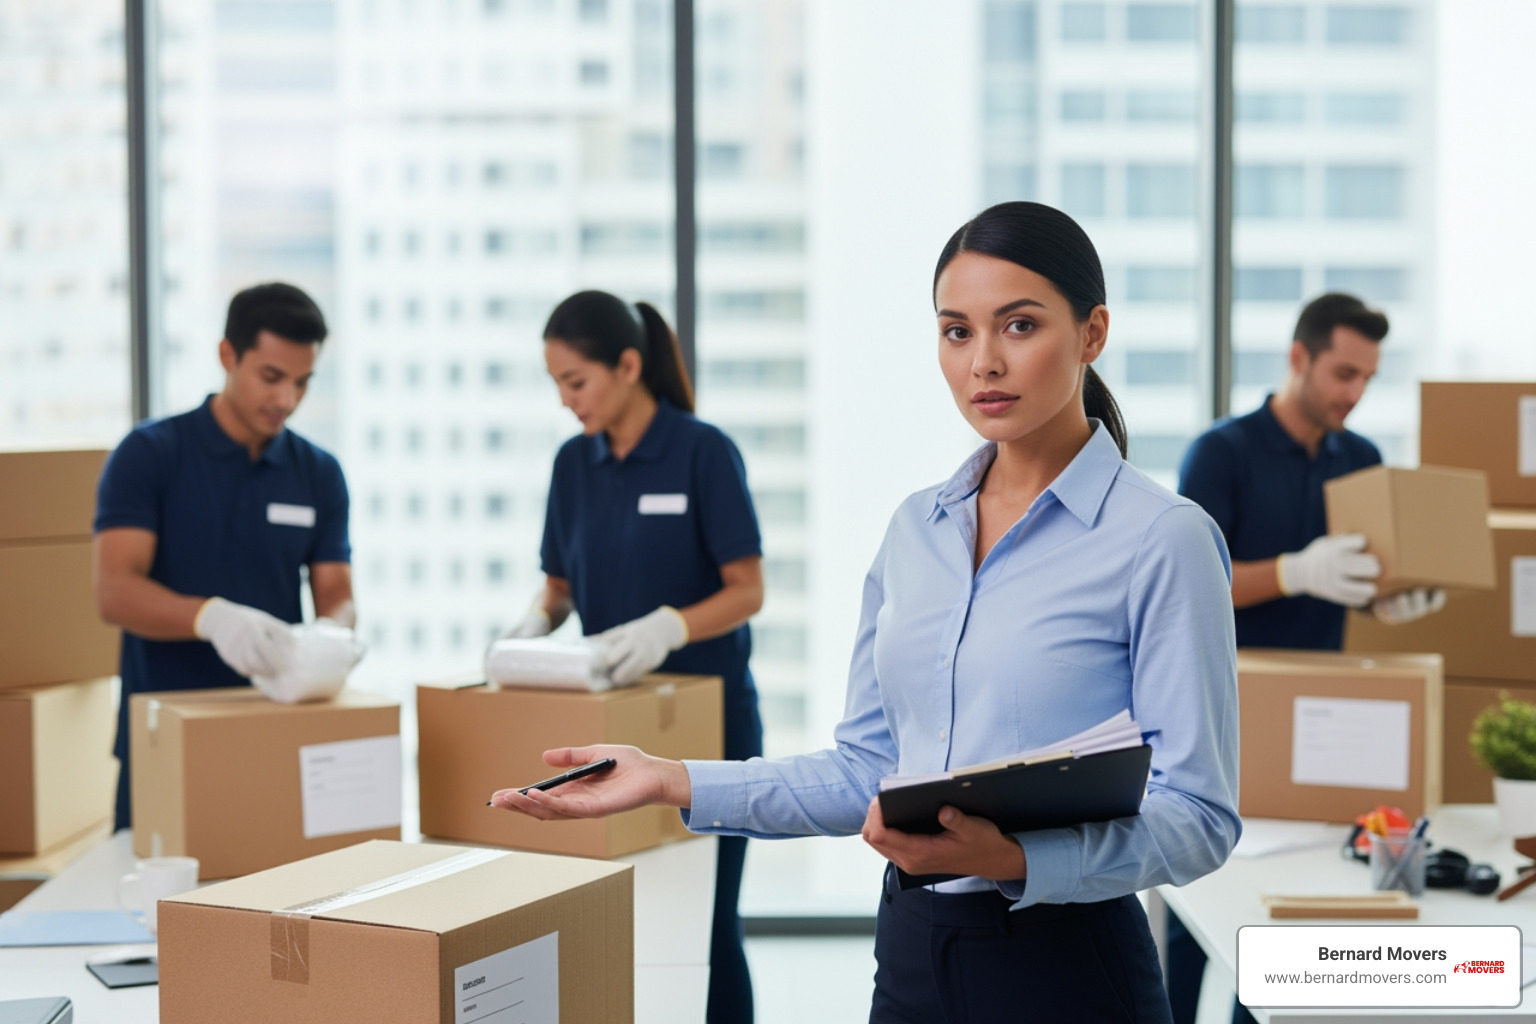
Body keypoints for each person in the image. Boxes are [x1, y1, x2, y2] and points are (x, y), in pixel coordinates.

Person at [490, 204, 1241, 1023]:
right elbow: (864, 770)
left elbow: (1199, 818)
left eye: (1018, 325)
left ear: (1092, 332)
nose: (985, 362)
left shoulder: (1163, 539)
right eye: (957, 332)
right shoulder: (916, 531)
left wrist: (1021, 858)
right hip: (913, 951)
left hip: (1067, 967)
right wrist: (668, 779)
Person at [1170, 293, 1442, 1024]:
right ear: (1300, 358)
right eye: (1343, 373)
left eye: (1366, 379)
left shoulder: (1362, 461)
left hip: (1322, 726)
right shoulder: (1222, 453)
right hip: (1225, 724)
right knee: (1196, 927)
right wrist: (1294, 571)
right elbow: (1189, 593)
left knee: (1279, 936)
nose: (1354, 393)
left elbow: (1365, 576)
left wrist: (1389, 600)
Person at [496, 290, 766, 1024]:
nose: (565, 400)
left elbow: (748, 589)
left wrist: (667, 628)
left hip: (709, 727)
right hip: (617, 730)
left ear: (627, 365)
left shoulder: (701, 451)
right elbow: (558, 588)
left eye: (574, 382)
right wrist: (529, 627)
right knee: (620, 918)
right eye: (555, 384)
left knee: (707, 922)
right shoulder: (572, 465)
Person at [94, 283, 355, 831]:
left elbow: (338, 598)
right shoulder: (151, 455)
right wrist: (209, 617)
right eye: (271, 376)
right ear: (227, 356)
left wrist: (328, 640)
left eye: (302, 382)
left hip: (272, 736)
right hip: (165, 738)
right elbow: (115, 591)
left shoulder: (319, 473)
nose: (286, 399)